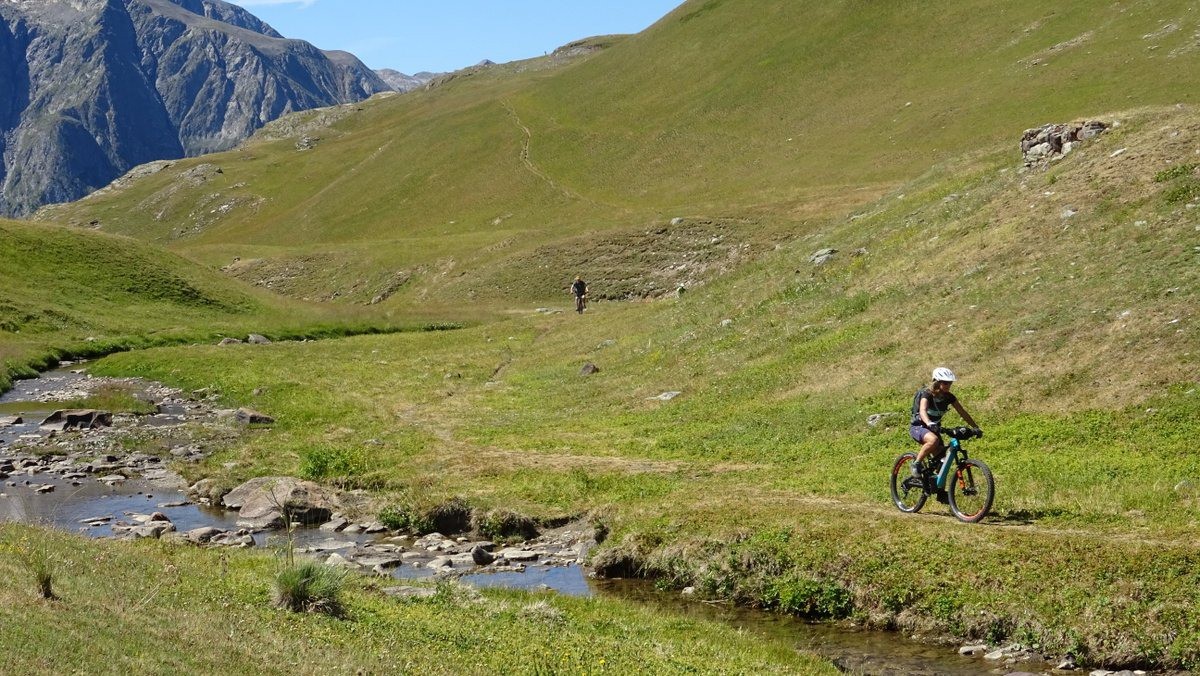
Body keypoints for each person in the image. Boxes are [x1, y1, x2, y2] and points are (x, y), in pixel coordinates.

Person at [910, 367, 981, 478]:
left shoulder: (949, 397)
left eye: (950, 383)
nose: (948, 385)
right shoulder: (927, 394)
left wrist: (975, 427)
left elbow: (962, 412)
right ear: (937, 382)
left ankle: (940, 492)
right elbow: (922, 410)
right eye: (945, 383)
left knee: (943, 464)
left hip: (934, 429)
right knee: (933, 440)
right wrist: (929, 422)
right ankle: (916, 464)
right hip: (919, 426)